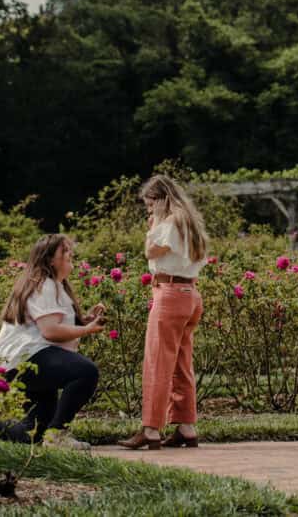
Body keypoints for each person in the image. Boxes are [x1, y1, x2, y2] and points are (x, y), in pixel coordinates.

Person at [118, 175, 208, 450]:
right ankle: (186, 426)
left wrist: (154, 223)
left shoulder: (169, 224)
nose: (148, 210)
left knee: (157, 362)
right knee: (181, 362)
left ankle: (151, 429)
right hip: (190, 294)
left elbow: (150, 252)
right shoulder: (190, 223)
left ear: (161, 199)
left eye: (149, 204)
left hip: (169, 293)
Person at [0, 233, 105, 450]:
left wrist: (85, 321)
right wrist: (86, 330)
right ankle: (58, 436)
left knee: (32, 432)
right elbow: (50, 331)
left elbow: (53, 323)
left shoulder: (55, 285)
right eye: (64, 251)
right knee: (86, 372)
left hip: (24, 360)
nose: (69, 253)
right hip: (29, 358)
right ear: (49, 259)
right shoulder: (44, 284)